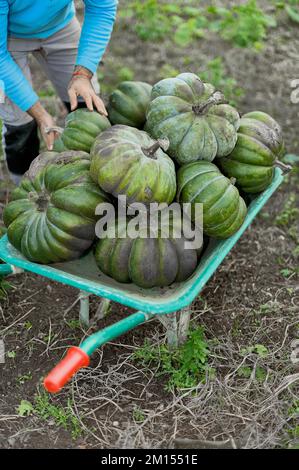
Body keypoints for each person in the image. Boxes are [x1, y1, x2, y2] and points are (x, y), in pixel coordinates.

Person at [0, 0, 118, 183]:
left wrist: (82, 73)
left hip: (59, 24)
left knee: (87, 106)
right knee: (19, 123)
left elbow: (102, 8)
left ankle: (91, 177)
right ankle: (24, 188)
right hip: (7, 35)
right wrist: (40, 114)